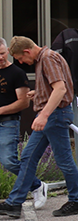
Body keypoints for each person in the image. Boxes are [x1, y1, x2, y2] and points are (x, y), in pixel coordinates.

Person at [0, 36, 78, 218]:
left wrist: (43, 115)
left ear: (27, 51)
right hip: (52, 114)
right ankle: (14, 203)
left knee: (64, 160)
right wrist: (40, 93)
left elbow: (60, 89)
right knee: (28, 157)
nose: (20, 62)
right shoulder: (45, 58)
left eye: (20, 58)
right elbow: (55, 87)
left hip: (55, 115)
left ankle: (76, 200)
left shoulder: (47, 58)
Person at [0, 39, 34, 200]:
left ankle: (36, 185)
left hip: (8, 122)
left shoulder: (17, 73)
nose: (0, 57)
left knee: (8, 161)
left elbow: (23, 102)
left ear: (7, 51)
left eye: (2, 53)